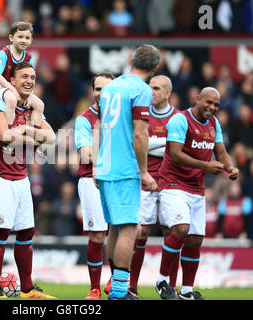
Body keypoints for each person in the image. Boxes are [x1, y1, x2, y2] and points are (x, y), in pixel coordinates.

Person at [155, 87, 239, 300]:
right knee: (181, 229)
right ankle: (162, 280)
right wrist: (205, 166)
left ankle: (186, 291)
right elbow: (175, 154)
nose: (212, 108)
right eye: (209, 102)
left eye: (216, 105)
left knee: (194, 240)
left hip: (196, 188)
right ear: (197, 99)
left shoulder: (214, 124)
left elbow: (220, 152)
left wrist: (230, 168)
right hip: (173, 183)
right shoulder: (180, 120)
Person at [0, 62, 56, 299]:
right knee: (1, 231)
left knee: (26, 232)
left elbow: (51, 137)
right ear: (11, 81)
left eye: (33, 76)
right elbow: (4, 136)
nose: (30, 80)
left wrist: (23, 131)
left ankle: (27, 289)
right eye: (24, 76)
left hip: (21, 177)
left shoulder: (32, 108)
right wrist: (32, 135)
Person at [94, 44, 160, 300]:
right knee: (130, 227)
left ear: (132, 60)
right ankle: (120, 290)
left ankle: (116, 286)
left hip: (106, 164)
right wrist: (144, 171)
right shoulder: (141, 90)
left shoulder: (110, 87)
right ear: (155, 68)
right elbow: (140, 134)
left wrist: (99, 164)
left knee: (114, 228)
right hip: (124, 168)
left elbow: (99, 126)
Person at [129, 75, 180, 297]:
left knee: (173, 232)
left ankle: (170, 285)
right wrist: (167, 145)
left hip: (170, 182)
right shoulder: (142, 115)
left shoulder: (178, 118)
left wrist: (149, 145)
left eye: (157, 88)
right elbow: (135, 144)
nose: (152, 92)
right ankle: (132, 286)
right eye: (150, 87)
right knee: (141, 233)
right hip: (145, 181)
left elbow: (180, 151)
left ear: (167, 93)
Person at [74, 71, 114, 299]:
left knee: (126, 231)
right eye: (98, 89)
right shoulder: (84, 119)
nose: (102, 93)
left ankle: (118, 280)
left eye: (106, 88)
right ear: (92, 91)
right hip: (91, 180)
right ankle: (95, 288)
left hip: (119, 180)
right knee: (98, 235)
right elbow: (86, 154)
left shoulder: (124, 117)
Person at [0, 21, 45, 156]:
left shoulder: (29, 57)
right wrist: (10, 88)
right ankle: (8, 139)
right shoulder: (5, 52)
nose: (23, 40)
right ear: (11, 38)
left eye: (27, 38)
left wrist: (30, 95)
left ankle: (35, 139)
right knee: (11, 99)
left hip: (16, 87)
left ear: (31, 40)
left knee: (39, 104)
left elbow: (31, 77)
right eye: (20, 37)